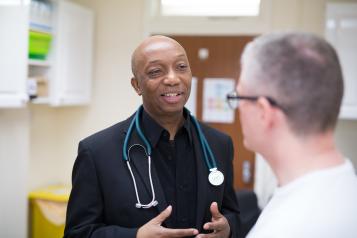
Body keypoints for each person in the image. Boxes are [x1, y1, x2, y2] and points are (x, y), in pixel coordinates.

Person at [64, 35, 240, 238]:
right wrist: (135, 236)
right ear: (137, 85)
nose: (173, 78)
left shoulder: (219, 144)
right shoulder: (97, 152)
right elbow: (77, 233)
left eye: (181, 67)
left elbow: (232, 213)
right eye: (156, 71)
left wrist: (228, 229)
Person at [226, 32, 357, 238]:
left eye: (239, 96)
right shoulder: (346, 190)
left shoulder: (286, 229)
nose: (238, 107)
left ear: (263, 112)